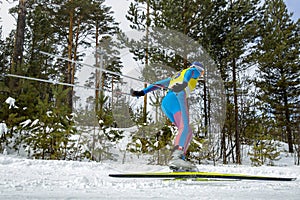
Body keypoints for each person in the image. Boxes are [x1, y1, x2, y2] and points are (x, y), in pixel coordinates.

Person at [130, 61, 205, 171]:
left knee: (187, 130)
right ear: (199, 69)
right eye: (202, 73)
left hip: (166, 103)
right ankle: (176, 157)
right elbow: (190, 72)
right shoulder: (193, 71)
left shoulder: (176, 77)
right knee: (185, 127)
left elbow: (158, 84)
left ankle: (180, 159)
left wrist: (142, 92)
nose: (201, 76)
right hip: (177, 97)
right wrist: (184, 83)